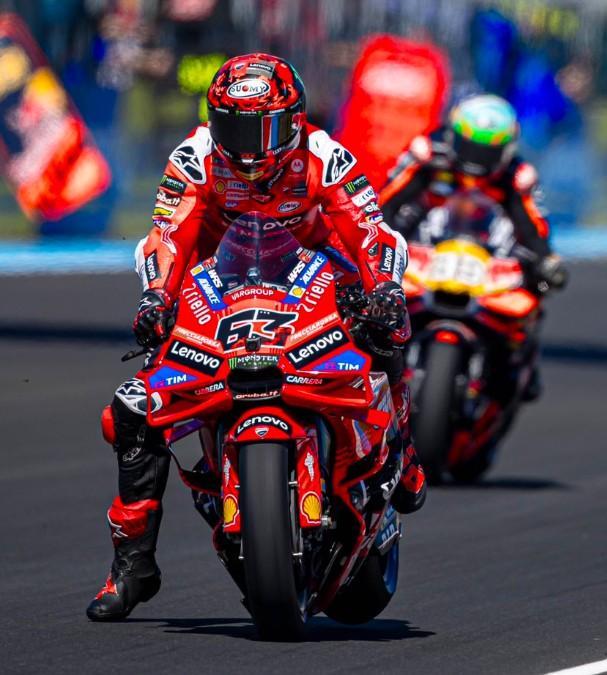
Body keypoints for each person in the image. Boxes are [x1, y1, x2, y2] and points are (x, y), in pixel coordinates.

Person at [87, 54, 426, 622]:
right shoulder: (194, 158)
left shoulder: (325, 155)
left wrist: (384, 288)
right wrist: (155, 299)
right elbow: (165, 238)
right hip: (217, 288)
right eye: (234, 127)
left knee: (388, 332)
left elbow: (372, 230)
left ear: (293, 121)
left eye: (262, 128)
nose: (248, 145)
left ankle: (405, 453)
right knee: (132, 409)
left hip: (316, 278)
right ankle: (133, 566)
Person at [379, 94, 567, 399]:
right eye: (470, 148)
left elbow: (533, 227)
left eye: (487, 152)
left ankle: (521, 364)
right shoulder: (427, 157)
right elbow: (385, 201)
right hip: (424, 252)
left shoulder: (517, 179)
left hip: (488, 259)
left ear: (506, 151)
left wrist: (546, 260)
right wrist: (375, 235)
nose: (476, 160)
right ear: (453, 136)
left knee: (539, 286)